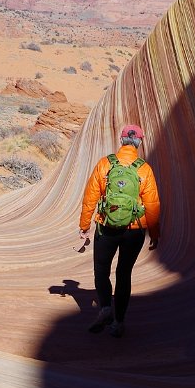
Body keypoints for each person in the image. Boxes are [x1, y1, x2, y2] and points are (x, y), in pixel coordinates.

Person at [78, 124, 160, 338]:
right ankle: (118, 323)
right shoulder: (144, 169)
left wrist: (84, 226)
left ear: (121, 140)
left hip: (106, 226)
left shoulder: (105, 164)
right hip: (134, 230)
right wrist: (155, 233)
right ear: (139, 142)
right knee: (124, 274)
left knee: (101, 270)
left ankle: (105, 307)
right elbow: (152, 205)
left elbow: (90, 198)